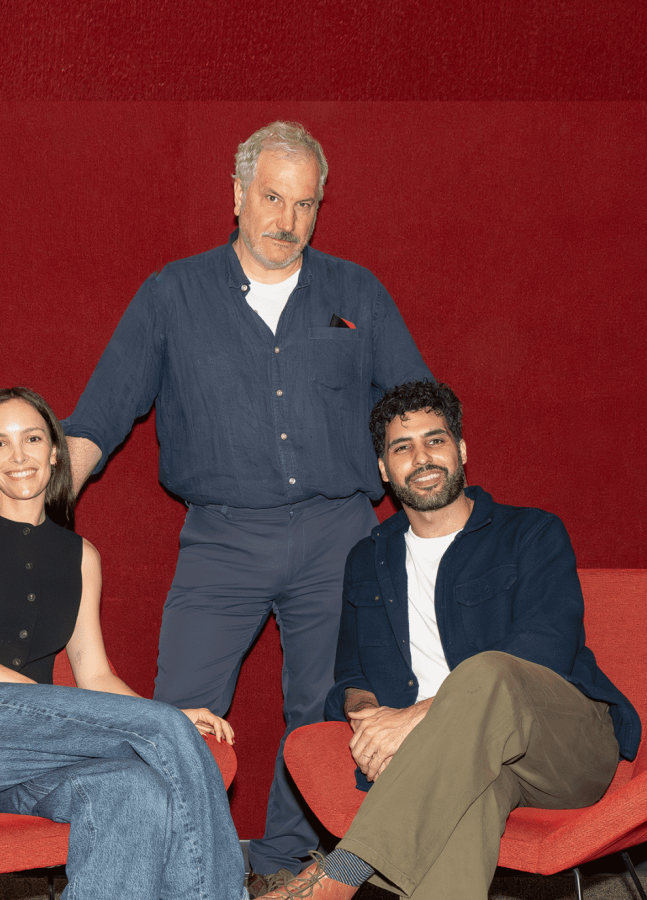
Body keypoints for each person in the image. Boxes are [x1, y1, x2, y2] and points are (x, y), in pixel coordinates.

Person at [62, 121, 433, 890]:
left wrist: (436, 521)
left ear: (319, 206)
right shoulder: (172, 294)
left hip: (340, 536)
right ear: (236, 195)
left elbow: (416, 412)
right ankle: (178, 866)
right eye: (271, 197)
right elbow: (96, 421)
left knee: (327, 716)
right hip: (221, 538)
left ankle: (289, 869)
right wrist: (24, 507)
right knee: (177, 719)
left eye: (304, 204)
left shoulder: (356, 293)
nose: (285, 221)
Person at [256, 381, 642, 900]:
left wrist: (417, 720)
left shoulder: (531, 533)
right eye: (402, 447)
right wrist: (369, 718)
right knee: (469, 805)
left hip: (562, 747)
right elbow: (350, 674)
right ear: (384, 469)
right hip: (462, 762)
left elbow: (545, 649)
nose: (422, 457)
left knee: (487, 671)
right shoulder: (367, 559)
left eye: (435, 441)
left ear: (460, 451)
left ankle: (341, 872)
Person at [0, 387, 246, 900]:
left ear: (55, 451)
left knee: (138, 793)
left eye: (33, 438)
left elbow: (95, 674)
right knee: (165, 732)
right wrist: (34, 697)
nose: (18, 456)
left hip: (34, 762)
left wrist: (159, 712)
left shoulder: (82, 556)